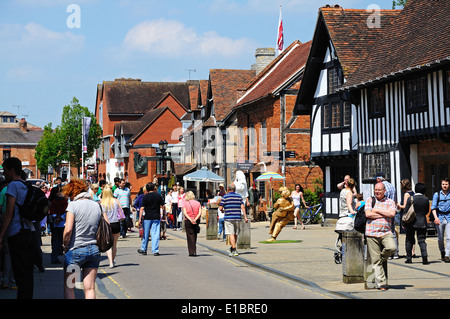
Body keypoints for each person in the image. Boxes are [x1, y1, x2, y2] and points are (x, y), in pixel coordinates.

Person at [62, 179, 107, 299]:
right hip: (93, 250)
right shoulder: (98, 205)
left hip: (75, 251)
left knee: (69, 286)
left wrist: (65, 245)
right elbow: (107, 224)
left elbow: (68, 230)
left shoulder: (73, 206)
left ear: (72, 193)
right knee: (90, 287)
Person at [0, 157, 35, 299]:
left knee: (19, 272)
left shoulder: (13, 186)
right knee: (27, 273)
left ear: (12, 170)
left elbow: (9, 212)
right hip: (30, 232)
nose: (4, 174)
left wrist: (1, 235)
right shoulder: (26, 185)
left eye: (5, 170)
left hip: (16, 233)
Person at [364, 182, 397, 290]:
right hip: (371, 233)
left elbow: (392, 214)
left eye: (379, 190)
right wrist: (384, 213)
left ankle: (382, 258)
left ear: (384, 191)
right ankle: (382, 283)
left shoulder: (390, 201)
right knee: (375, 261)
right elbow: (368, 214)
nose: (377, 192)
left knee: (392, 248)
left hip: (386, 232)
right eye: (376, 190)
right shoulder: (370, 200)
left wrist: (377, 210)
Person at [403, 183, 430, 265]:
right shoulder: (426, 199)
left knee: (409, 240)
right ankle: (424, 257)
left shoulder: (411, 199)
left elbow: (406, 211)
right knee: (422, 240)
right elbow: (426, 211)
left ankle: (409, 258)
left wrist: (403, 222)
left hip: (411, 222)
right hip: (422, 222)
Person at [219, 183, 247, 256]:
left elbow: (220, 208)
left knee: (231, 233)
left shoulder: (225, 197)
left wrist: (223, 211)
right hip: (237, 217)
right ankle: (232, 248)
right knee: (235, 233)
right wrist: (245, 217)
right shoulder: (239, 197)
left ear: (228, 189)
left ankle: (234, 250)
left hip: (229, 218)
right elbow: (243, 207)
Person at [376, 172, 399, 259]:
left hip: (384, 212)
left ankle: (388, 253)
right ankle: (395, 253)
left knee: (385, 232)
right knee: (392, 231)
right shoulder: (392, 186)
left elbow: (382, 200)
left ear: (379, 179)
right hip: (392, 210)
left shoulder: (383, 187)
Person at [138, 182, 164, 256]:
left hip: (147, 217)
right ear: (154, 188)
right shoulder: (158, 196)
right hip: (156, 217)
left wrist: (140, 218)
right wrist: (164, 215)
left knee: (146, 234)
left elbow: (142, 208)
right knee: (155, 234)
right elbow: (162, 206)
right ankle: (155, 250)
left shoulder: (145, 197)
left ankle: (144, 249)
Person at [101, 184, 123, 268]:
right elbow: (121, 211)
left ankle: (110, 262)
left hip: (106, 224)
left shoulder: (102, 202)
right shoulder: (116, 201)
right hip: (116, 223)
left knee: (108, 244)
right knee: (114, 244)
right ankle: (113, 260)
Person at [0, 180, 16, 290]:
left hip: (5, 223)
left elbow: (1, 208)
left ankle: (5, 280)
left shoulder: (3, 192)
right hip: (17, 225)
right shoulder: (17, 190)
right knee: (15, 254)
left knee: (7, 254)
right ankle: (13, 281)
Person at [431, 177, 450, 262]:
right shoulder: (437, 195)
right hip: (440, 217)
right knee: (440, 238)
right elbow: (433, 208)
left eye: (446, 184)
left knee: (449, 237)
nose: (444, 186)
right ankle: (442, 251)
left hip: (449, 217)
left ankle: (447, 255)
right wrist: (436, 218)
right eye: (443, 184)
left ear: (449, 185)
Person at [48, 185, 68, 264]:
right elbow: (66, 211)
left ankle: (54, 257)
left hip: (55, 223)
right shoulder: (65, 201)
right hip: (63, 223)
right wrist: (61, 218)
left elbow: (52, 212)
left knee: (56, 241)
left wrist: (56, 218)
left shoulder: (53, 201)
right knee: (65, 241)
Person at [183, 191, 202, 256]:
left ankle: (191, 251)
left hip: (188, 220)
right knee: (195, 235)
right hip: (196, 220)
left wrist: (190, 219)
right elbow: (200, 212)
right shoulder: (198, 203)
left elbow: (185, 213)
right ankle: (194, 250)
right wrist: (195, 219)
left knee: (190, 235)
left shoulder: (185, 203)